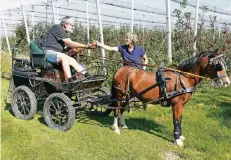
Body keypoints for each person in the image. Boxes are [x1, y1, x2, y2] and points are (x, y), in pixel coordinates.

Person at [41, 16, 91, 82]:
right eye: (71, 25)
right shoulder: (57, 28)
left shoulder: (64, 32)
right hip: (48, 52)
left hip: (57, 53)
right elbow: (70, 43)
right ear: (65, 24)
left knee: (72, 60)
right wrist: (86, 46)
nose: (72, 27)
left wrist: (77, 49)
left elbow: (68, 45)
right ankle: (70, 81)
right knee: (64, 58)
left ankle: (88, 76)